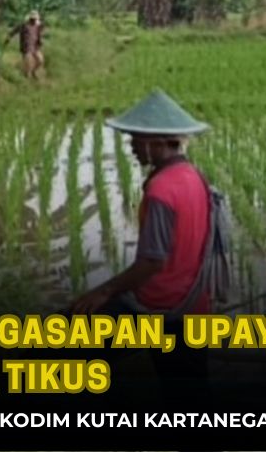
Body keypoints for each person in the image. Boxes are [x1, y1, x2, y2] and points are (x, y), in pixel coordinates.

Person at [70, 89, 213, 393]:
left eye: (136, 139)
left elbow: (152, 261)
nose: (132, 146)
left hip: (158, 310)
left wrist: (104, 290)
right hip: (193, 305)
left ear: (156, 142)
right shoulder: (194, 177)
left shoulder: (162, 190)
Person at [8, 10, 46, 79]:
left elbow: (39, 34)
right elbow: (14, 31)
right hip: (26, 47)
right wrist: (9, 38)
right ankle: (27, 77)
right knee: (28, 63)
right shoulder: (24, 25)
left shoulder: (37, 26)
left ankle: (34, 71)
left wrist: (40, 41)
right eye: (33, 19)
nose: (34, 20)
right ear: (30, 18)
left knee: (40, 60)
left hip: (35, 46)